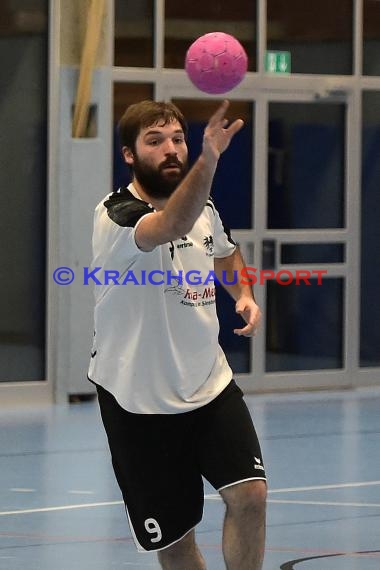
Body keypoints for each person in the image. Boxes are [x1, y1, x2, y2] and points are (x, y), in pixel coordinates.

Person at [88, 99, 267, 570]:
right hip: (138, 400)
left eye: (178, 139)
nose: (171, 149)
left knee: (250, 495)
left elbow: (225, 253)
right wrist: (209, 159)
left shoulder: (204, 206)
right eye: (155, 141)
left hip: (210, 385)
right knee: (177, 541)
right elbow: (172, 224)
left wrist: (242, 294)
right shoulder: (116, 215)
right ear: (129, 154)